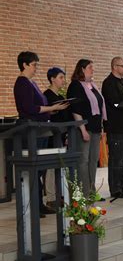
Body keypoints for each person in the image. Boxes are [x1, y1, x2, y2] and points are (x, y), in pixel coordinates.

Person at [13, 51, 69, 217]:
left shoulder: (32, 83)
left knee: (40, 170)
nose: (36, 68)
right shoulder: (22, 83)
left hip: (42, 128)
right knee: (34, 169)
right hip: (31, 129)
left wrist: (52, 111)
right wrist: (53, 108)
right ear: (24, 65)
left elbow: (41, 106)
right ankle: (32, 205)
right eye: (34, 64)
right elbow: (29, 108)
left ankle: (39, 203)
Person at [68, 59, 107, 200]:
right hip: (84, 128)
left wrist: (102, 127)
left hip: (96, 128)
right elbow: (75, 109)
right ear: (82, 69)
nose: (93, 70)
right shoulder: (75, 86)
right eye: (90, 67)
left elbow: (99, 108)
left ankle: (91, 191)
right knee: (83, 161)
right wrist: (83, 130)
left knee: (93, 160)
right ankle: (84, 193)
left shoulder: (92, 85)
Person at [102, 57, 123, 199]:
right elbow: (115, 103)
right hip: (116, 126)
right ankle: (115, 188)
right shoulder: (109, 83)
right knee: (117, 159)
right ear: (114, 67)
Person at [44, 67, 72, 206]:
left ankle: (59, 194)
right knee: (50, 167)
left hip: (60, 135)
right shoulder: (46, 96)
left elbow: (65, 117)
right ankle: (51, 197)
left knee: (59, 167)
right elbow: (46, 115)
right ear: (52, 79)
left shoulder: (61, 97)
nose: (63, 80)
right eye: (61, 77)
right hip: (50, 136)